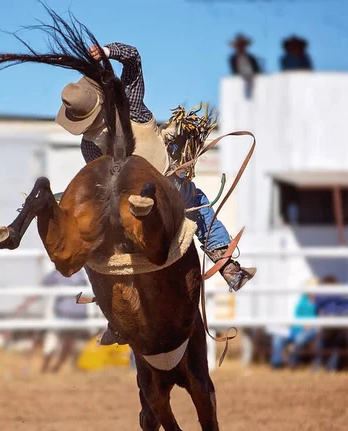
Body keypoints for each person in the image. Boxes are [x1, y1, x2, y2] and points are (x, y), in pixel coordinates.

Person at [55, 42, 256, 297]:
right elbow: (133, 59)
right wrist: (106, 52)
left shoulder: (89, 146)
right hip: (171, 190)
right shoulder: (133, 108)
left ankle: (104, 296)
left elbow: (101, 184)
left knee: (95, 229)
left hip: (125, 208)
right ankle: (229, 269)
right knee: (199, 203)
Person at [270, 287, 318, 369]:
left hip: (311, 330)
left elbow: (319, 319)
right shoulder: (302, 301)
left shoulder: (318, 303)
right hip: (296, 328)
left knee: (300, 339)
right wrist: (300, 325)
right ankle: (276, 363)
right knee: (278, 338)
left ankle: (293, 362)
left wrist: (311, 325)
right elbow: (297, 316)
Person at [228, 34, 261, 99]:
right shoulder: (233, 58)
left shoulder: (251, 58)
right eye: (239, 45)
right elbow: (234, 71)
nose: (240, 47)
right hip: (241, 77)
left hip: (251, 76)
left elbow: (257, 69)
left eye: (242, 45)